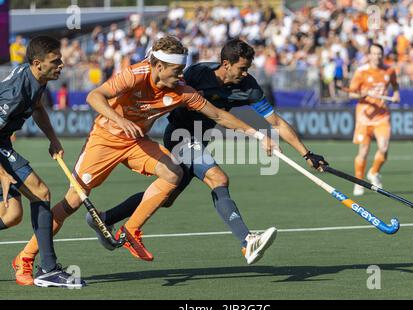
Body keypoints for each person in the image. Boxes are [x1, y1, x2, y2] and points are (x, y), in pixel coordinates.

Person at [15, 35, 279, 283]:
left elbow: (219, 116)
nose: (181, 77)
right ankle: (26, 257)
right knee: (72, 202)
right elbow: (94, 96)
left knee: (173, 173)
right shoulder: (135, 74)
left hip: (136, 142)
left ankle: (131, 230)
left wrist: (256, 134)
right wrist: (119, 120)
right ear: (159, 66)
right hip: (104, 140)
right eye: (176, 71)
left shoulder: (182, 90)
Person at [90, 39, 328, 265]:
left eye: (248, 69)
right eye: (242, 68)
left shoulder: (248, 87)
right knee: (218, 178)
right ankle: (248, 242)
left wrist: (307, 154)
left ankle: (105, 218)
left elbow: (276, 122)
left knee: (166, 197)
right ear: (226, 64)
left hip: (201, 140)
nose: (245, 74)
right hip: (180, 135)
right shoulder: (196, 73)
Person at [1, 36, 85, 288]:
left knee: (13, 215)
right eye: (55, 61)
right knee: (41, 192)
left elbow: (37, 108)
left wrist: (53, 139)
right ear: (37, 63)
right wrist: (3, 175)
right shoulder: (15, 92)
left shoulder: (37, 79)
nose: (61, 65)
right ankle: (48, 269)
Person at [348, 43, 400, 196]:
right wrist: (362, 94)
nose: (377, 56)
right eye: (374, 53)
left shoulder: (389, 70)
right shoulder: (361, 71)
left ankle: (374, 172)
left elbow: (395, 85)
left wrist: (396, 94)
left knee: (384, 148)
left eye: (379, 54)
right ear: (369, 55)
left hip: (382, 115)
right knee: (363, 151)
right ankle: (359, 182)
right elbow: (352, 93)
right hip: (364, 117)